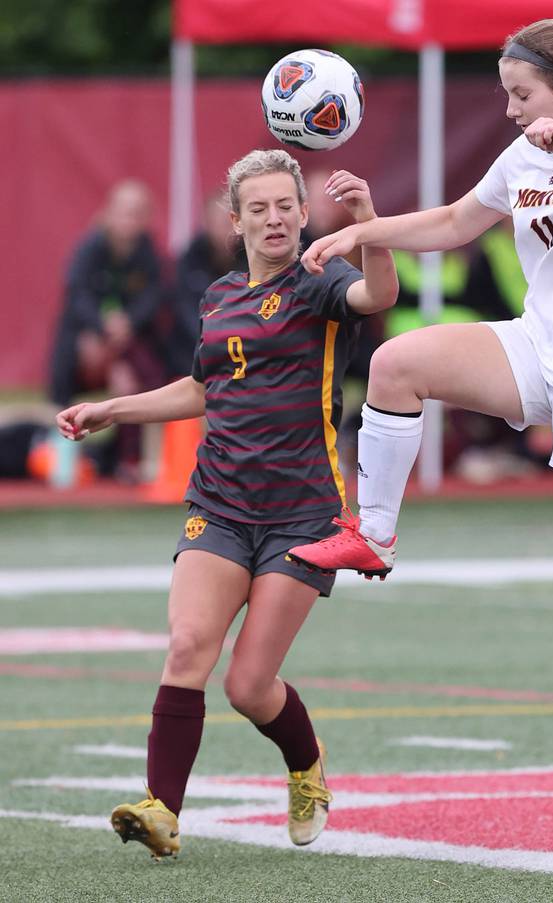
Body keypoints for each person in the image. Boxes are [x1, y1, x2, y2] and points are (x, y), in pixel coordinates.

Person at [287, 18, 553, 803]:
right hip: (541, 346)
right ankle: (370, 533)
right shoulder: (523, 154)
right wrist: (362, 234)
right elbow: (453, 224)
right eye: (507, 95)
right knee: (396, 362)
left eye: (522, 95)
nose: (511, 110)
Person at [55, 149, 398, 859]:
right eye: (259, 207)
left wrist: (368, 226)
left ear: (304, 216)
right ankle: (163, 810)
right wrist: (114, 409)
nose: (274, 218)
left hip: (303, 514)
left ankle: (305, 767)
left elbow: (378, 297)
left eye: (286, 206)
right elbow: (203, 389)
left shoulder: (322, 278)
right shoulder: (217, 295)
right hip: (219, 502)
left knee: (247, 683)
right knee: (186, 646)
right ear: (234, 219)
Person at [49, 180, 165, 481]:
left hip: (129, 343)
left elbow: (153, 296)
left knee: (134, 380)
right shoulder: (89, 248)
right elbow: (77, 295)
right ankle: (65, 458)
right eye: (124, 212)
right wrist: (103, 326)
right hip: (86, 342)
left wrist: (128, 323)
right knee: (88, 367)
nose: (130, 221)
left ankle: (128, 460)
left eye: (137, 213)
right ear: (109, 213)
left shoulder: (147, 252)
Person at [167, 192, 245, 378]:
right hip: (194, 347)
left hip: (242, 341)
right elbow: (185, 309)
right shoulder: (190, 259)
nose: (225, 230)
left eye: (229, 223)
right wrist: (211, 339)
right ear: (206, 224)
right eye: (218, 223)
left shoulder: (250, 256)